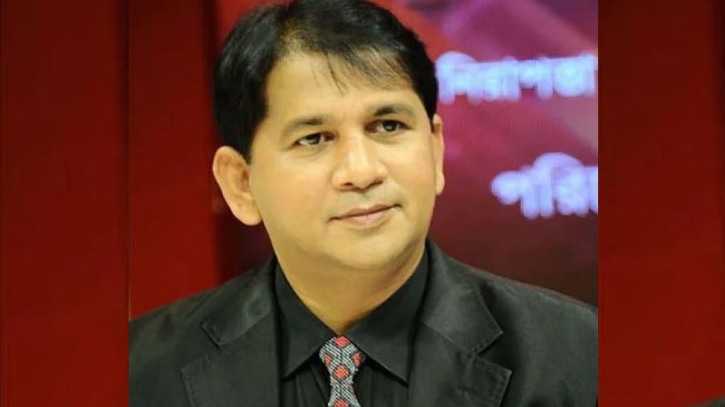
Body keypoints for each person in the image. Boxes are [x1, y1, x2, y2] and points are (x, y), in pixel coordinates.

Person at [129, 0, 597, 405]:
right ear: (242, 184)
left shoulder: (577, 355)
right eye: (314, 138)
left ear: (435, 151)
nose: (362, 170)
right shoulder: (142, 370)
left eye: (389, 126)